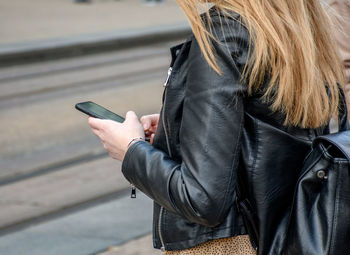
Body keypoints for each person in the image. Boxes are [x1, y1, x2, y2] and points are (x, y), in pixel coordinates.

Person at [87, 0, 346, 254]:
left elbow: (201, 200)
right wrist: (181, 125)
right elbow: (271, 124)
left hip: (231, 244)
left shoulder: (220, 34)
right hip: (284, 232)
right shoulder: (301, 27)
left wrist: (131, 150)